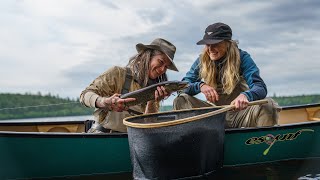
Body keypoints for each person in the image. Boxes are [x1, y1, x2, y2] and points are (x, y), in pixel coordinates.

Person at [173, 22, 280, 128]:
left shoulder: (243, 58)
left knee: (268, 104)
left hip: (240, 114)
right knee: (180, 100)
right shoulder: (202, 60)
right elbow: (182, 88)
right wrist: (200, 86)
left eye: (215, 44)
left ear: (227, 43)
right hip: (214, 116)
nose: (210, 49)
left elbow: (260, 87)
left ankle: (259, 143)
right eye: (207, 44)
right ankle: (195, 141)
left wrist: (246, 96)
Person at [80, 38, 179, 133]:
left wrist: (152, 102)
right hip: (102, 137)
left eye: (166, 67)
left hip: (133, 141)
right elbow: (85, 95)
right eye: (161, 62)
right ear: (147, 56)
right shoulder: (118, 73)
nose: (163, 70)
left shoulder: (158, 90)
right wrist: (104, 102)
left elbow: (148, 127)